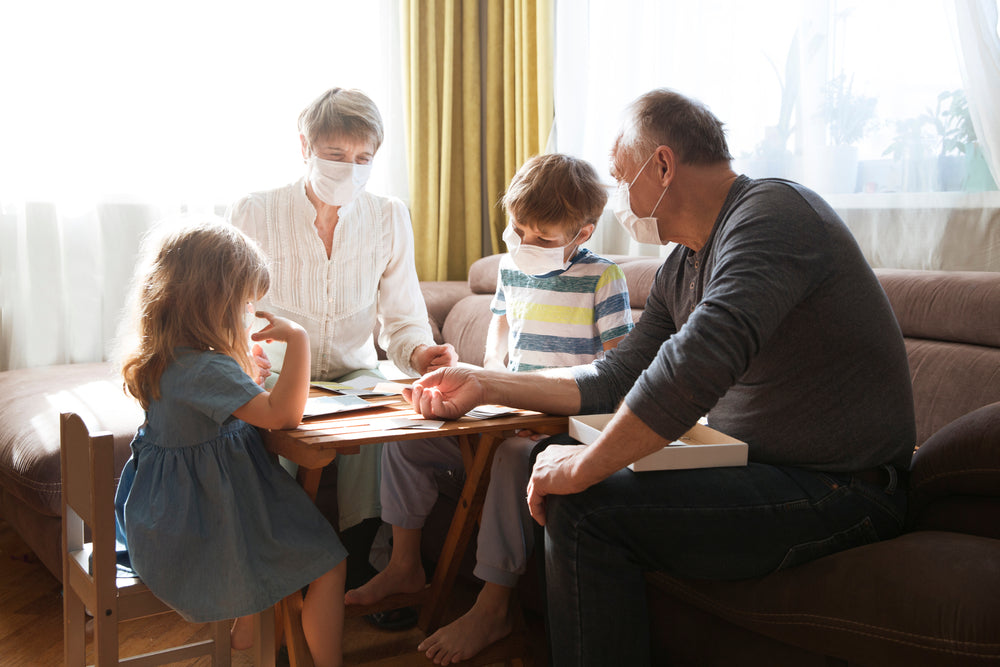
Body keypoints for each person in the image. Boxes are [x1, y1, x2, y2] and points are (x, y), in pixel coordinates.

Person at [403, 89, 916, 666]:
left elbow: (698, 359)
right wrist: (485, 382)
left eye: (622, 177)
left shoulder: (773, 214)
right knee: (573, 482)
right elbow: (615, 376)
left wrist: (584, 466)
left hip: (841, 488)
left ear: (664, 166)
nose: (620, 198)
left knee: (585, 509)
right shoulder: (684, 263)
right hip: (757, 468)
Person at [345, 154, 634, 664]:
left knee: (508, 460)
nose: (525, 245)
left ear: (582, 233)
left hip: (557, 428)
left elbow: (616, 372)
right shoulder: (512, 268)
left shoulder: (602, 278)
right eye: (517, 230)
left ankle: (494, 603)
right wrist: (491, 376)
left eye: (543, 238)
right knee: (409, 436)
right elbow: (500, 327)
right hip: (503, 412)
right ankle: (403, 563)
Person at [226, 87, 457, 543]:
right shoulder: (255, 212)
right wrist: (240, 355)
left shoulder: (389, 216)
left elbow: (403, 319)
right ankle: (278, 553)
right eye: (335, 154)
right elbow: (227, 310)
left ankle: (364, 555)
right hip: (275, 374)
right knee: (274, 420)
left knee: (383, 420)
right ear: (305, 148)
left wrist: (422, 353)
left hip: (356, 375)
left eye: (362, 157)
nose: (349, 168)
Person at [113, 220, 347, 666]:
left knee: (292, 544)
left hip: (164, 517)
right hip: (206, 525)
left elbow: (214, 416)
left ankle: (248, 622)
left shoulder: (165, 359)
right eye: (242, 305)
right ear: (211, 306)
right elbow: (283, 415)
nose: (246, 316)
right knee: (329, 563)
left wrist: (244, 380)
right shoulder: (205, 370)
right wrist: (298, 340)